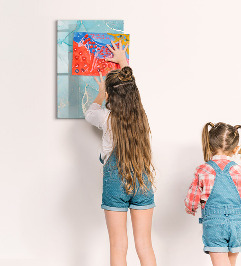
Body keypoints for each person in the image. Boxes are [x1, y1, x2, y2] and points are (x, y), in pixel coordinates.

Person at [85, 40, 157, 266]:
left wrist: (100, 94)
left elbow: (90, 113)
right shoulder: (140, 116)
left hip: (115, 182)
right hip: (142, 178)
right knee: (144, 244)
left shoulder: (106, 117)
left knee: (118, 245)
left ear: (110, 96)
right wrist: (123, 62)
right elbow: (130, 87)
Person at [185, 122, 241, 266]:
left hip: (214, 224)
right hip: (237, 224)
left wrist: (191, 208)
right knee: (231, 262)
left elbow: (192, 198)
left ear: (209, 145)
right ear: (236, 149)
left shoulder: (203, 170)